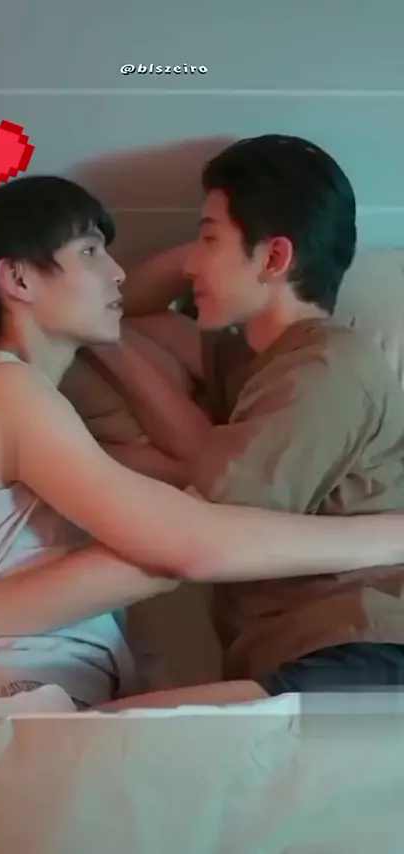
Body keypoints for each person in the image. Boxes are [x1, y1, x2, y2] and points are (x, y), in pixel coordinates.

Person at [0, 175, 404, 712]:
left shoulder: (34, 419)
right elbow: (184, 543)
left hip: (46, 690)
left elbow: (191, 484)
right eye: (90, 252)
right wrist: (392, 536)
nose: (117, 271)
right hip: (9, 689)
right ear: (18, 278)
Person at [121, 134, 404, 695]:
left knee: (105, 737)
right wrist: (103, 333)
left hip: (362, 649)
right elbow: (127, 310)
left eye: (208, 239)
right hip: (300, 658)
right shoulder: (249, 357)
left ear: (275, 258)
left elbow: (215, 516)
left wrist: (106, 346)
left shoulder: (328, 369)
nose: (192, 263)